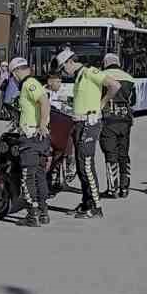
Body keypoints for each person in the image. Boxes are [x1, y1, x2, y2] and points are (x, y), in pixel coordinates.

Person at [57, 48, 120, 220]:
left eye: (63, 68)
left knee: (86, 165)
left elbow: (114, 85)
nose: (63, 72)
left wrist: (103, 103)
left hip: (89, 123)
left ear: (70, 62)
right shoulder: (78, 77)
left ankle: (96, 206)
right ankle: (86, 202)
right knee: (80, 165)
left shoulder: (89, 72)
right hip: (79, 123)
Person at [9, 56, 52, 227]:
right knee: (40, 175)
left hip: (31, 137)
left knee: (28, 176)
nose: (13, 79)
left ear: (16, 72)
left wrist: (41, 125)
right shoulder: (33, 83)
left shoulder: (29, 83)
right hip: (38, 137)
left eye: (13, 75)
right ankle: (43, 212)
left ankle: (32, 214)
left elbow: (44, 102)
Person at [98, 53, 136, 200]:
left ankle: (112, 189)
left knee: (110, 154)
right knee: (124, 154)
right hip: (125, 120)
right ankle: (124, 188)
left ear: (105, 63)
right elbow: (133, 101)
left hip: (108, 120)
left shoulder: (101, 76)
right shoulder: (129, 78)